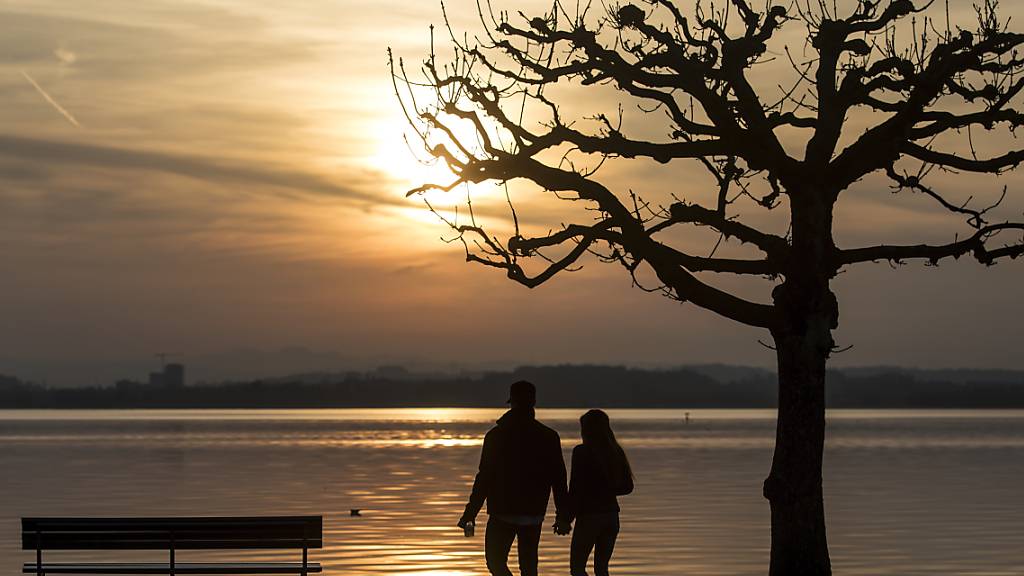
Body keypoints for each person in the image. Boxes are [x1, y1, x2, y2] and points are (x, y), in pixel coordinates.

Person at [458, 380, 570, 576]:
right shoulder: (549, 436)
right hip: (533, 513)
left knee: (495, 563)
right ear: (533, 402)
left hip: (503, 512)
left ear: (511, 403)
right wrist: (563, 516)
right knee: (528, 568)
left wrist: (470, 513)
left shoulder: (496, 436)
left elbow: (484, 478)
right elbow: (559, 480)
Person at [567, 409, 634, 576]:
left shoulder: (581, 452)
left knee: (577, 568)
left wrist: (566, 518)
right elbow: (628, 487)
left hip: (589, 516)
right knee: (602, 569)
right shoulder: (616, 451)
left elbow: (575, 489)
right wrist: (607, 490)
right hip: (611, 517)